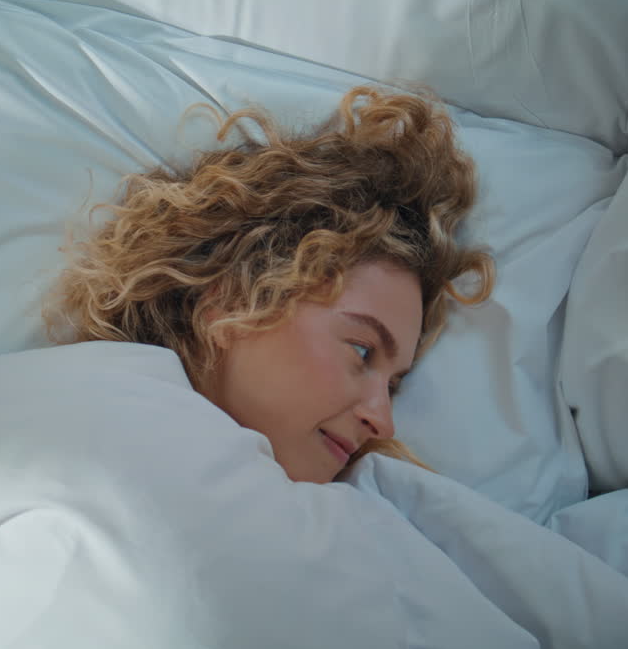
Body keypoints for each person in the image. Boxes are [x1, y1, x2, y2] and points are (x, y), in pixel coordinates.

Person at [45, 86, 493, 483]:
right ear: (231, 297)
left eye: (393, 386)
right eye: (362, 351)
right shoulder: (67, 434)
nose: (383, 423)